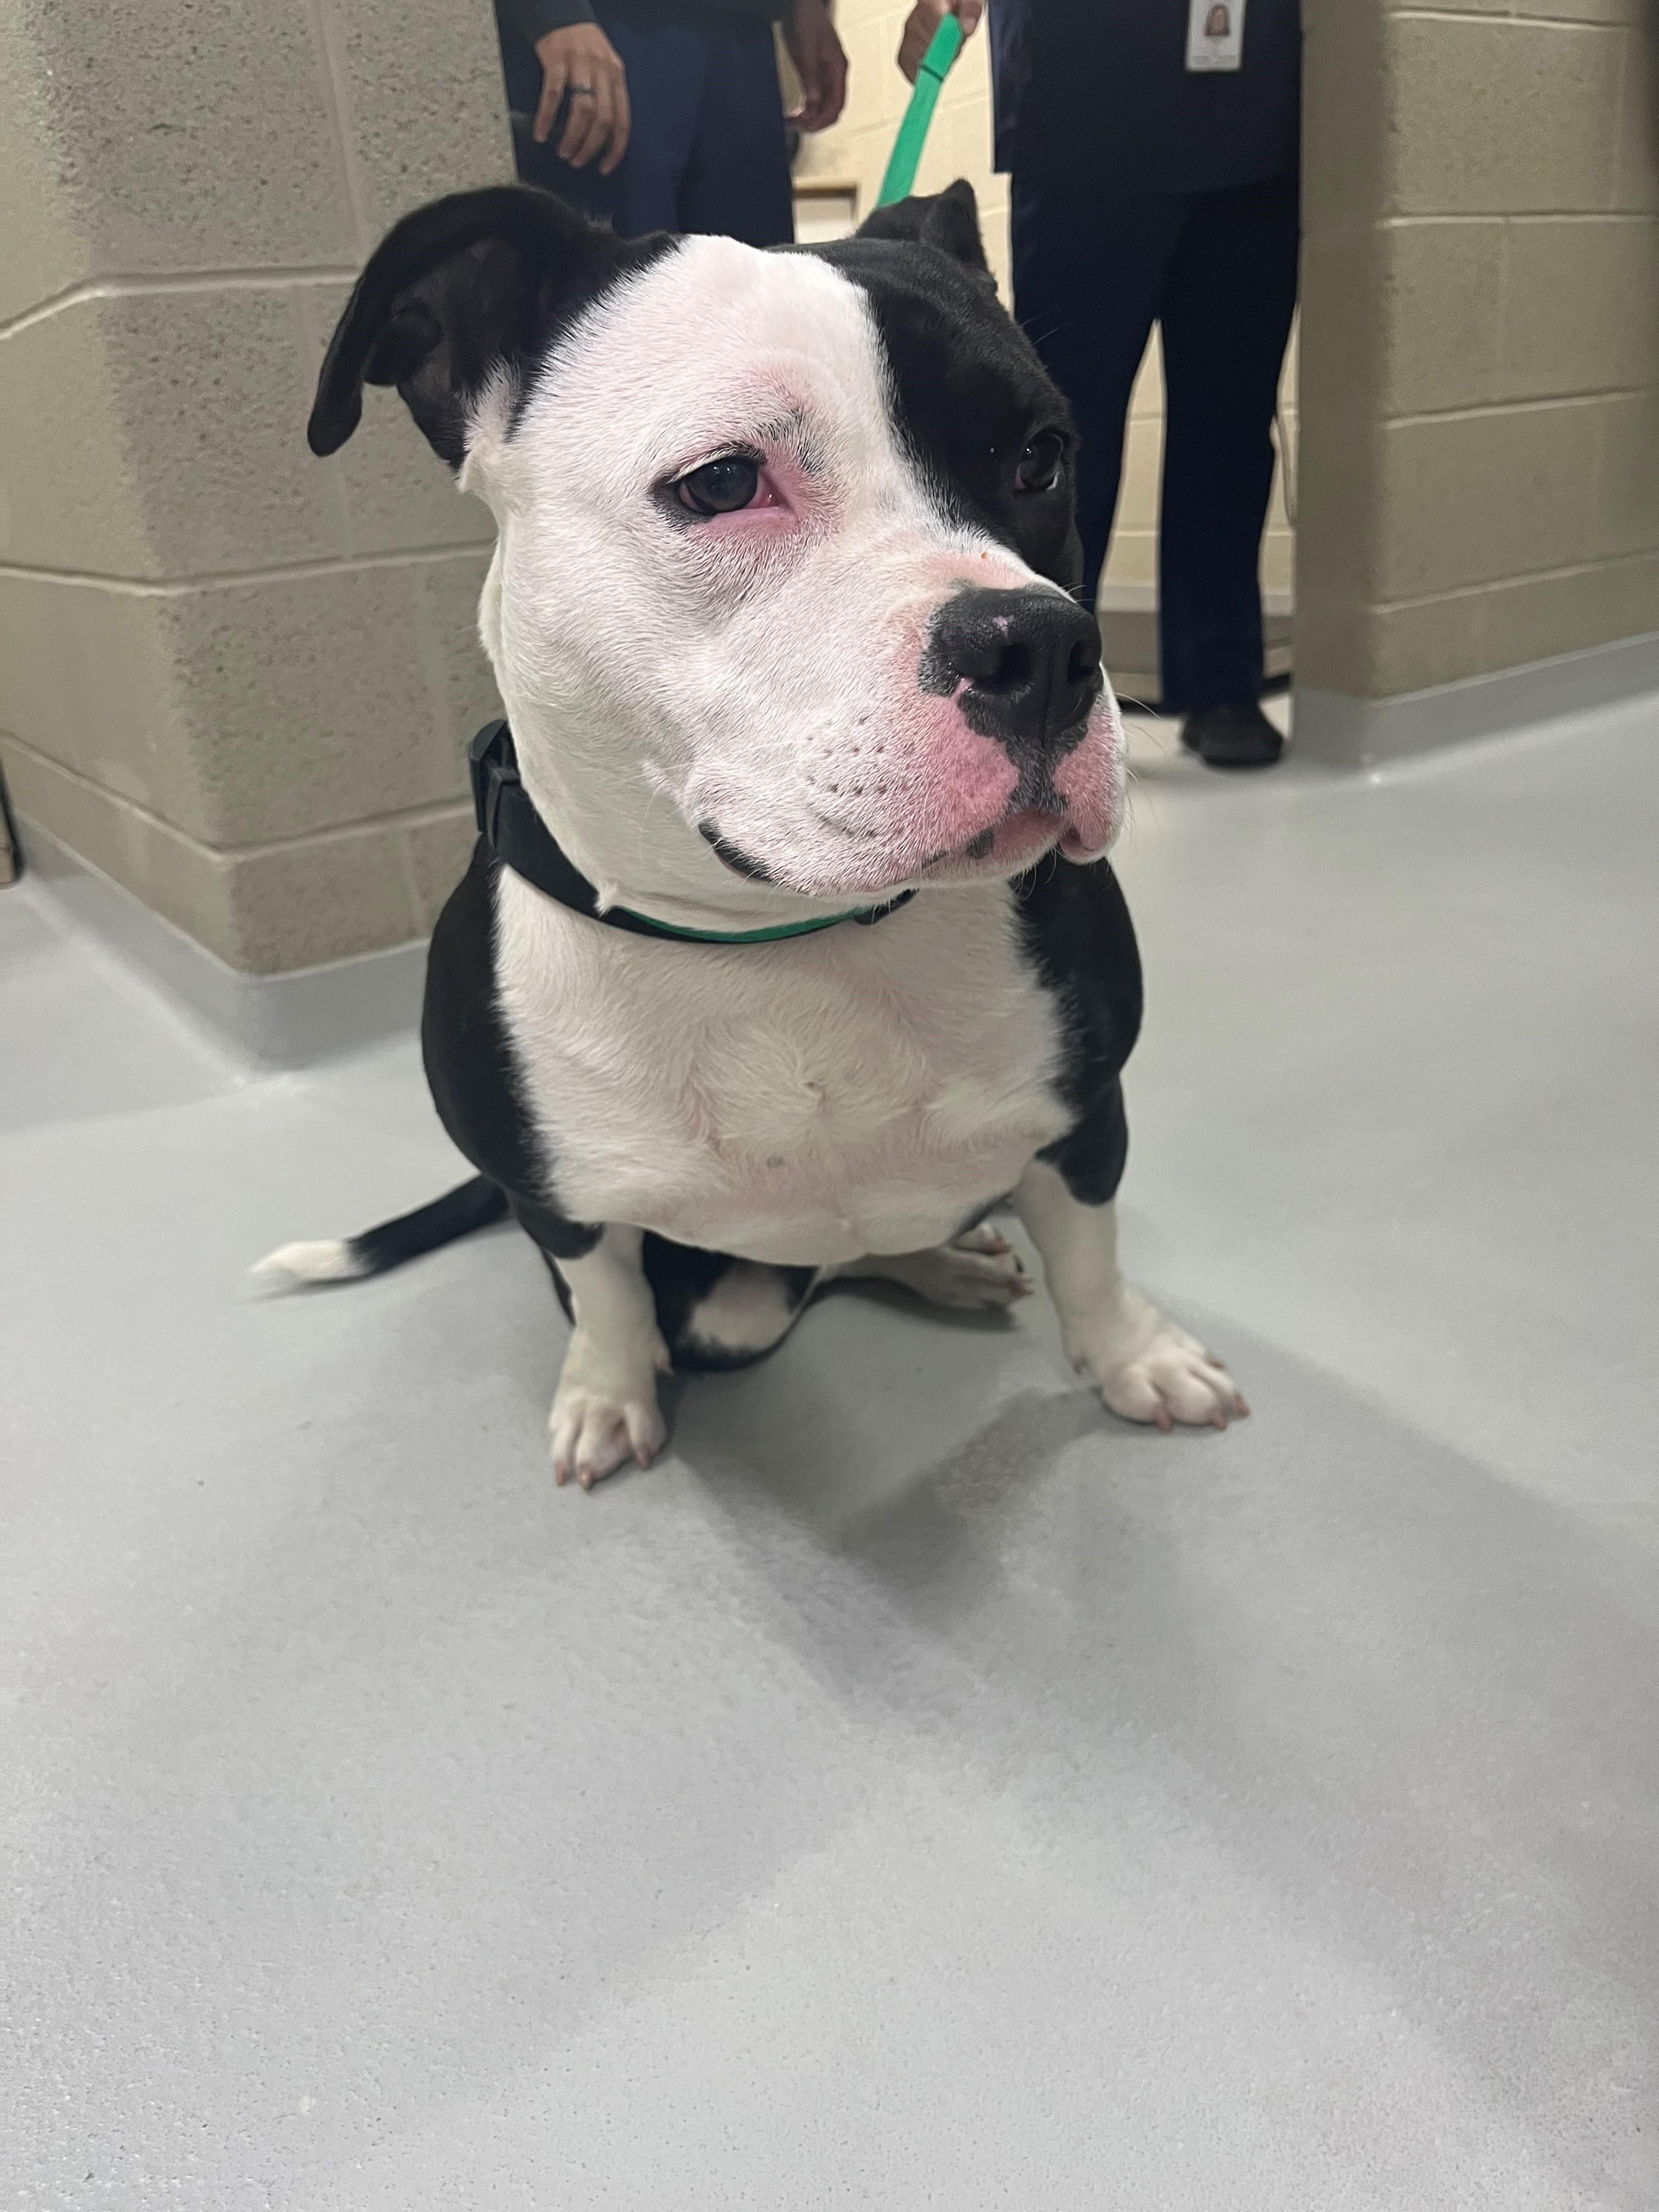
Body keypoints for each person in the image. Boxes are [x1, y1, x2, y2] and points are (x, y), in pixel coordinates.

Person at [899, 0, 1301, 770]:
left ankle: (1221, 680)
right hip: (1080, 106)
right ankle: (1042, 686)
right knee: (1064, 432)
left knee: (1231, 423)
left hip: (1253, 105)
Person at [495, 0, 847, 250]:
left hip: (745, 30)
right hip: (605, 27)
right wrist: (553, 13)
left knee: (755, 312)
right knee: (614, 308)